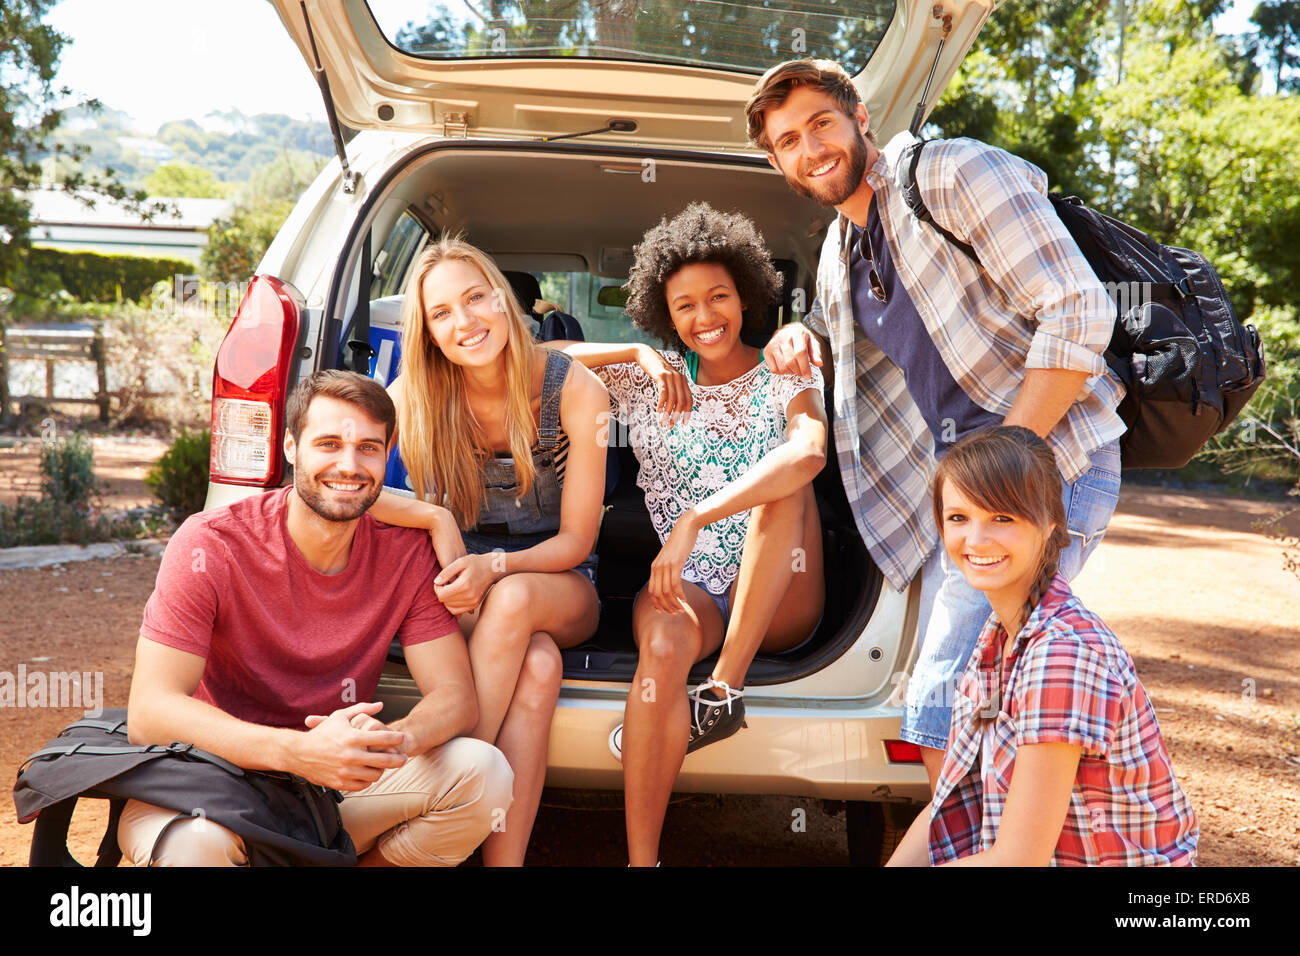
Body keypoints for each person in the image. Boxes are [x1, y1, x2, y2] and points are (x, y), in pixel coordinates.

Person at [747, 59, 1126, 787]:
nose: (811, 148)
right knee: (967, 686)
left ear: (860, 116)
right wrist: (804, 339)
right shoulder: (839, 248)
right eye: (788, 140)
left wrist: (1009, 459)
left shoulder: (951, 173)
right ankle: (992, 840)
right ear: (777, 161)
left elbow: (1079, 308)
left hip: (1046, 465)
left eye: (821, 123)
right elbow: (848, 339)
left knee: (947, 688)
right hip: (953, 488)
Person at [119, 370, 514, 866]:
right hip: (209, 782)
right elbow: (150, 712)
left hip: (326, 793)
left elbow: (455, 699)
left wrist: (389, 743)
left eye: (368, 448)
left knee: (483, 774)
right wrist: (299, 752)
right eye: (328, 443)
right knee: (195, 849)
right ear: (290, 446)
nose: (349, 466)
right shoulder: (210, 543)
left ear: (388, 452)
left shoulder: (406, 553)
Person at [559, 202, 828, 866]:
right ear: (663, 313)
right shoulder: (650, 384)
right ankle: (641, 862)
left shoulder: (784, 369)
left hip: (780, 593)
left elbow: (810, 452)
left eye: (719, 298)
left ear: (747, 297)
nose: (704, 317)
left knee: (783, 483)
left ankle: (724, 691)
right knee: (663, 644)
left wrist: (694, 518)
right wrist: (636, 355)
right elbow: (533, 355)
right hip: (695, 586)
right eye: (685, 306)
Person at [367, 237, 609, 866]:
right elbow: (341, 483)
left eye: (475, 298)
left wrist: (495, 566)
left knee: (515, 600)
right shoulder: (415, 393)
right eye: (441, 313)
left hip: (559, 579)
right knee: (537, 670)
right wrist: (434, 516)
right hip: (462, 585)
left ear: (506, 300)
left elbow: (577, 540)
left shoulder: (575, 390)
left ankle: (438, 794)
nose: (464, 322)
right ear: (429, 334)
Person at [885, 426, 1198, 865]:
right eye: (958, 518)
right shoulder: (998, 636)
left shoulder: (1062, 654)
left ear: (1051, 522)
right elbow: (946, 805)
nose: (975, 540)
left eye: (1003, 518)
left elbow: (1017, 860)